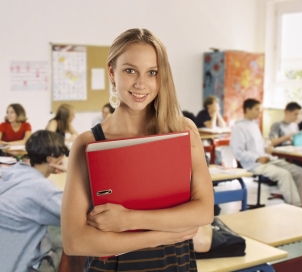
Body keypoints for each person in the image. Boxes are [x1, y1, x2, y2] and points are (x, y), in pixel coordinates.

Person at [61, 28, 213, 271]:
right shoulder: (89, 144)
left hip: (176, 265)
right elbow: (75, 241)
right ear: (112, 72)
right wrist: (162, 235)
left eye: (152, 72)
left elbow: (203, 212)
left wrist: (128, 219)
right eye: (130, 70)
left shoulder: (183, 131)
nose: (141, 84)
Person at [0, 130, 68, 272]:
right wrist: (73, 171)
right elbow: (77, 214)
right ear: (51, 158)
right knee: (65, 245)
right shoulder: (42, 190)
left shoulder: (14, 171)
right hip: (12, 266)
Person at [230, 98, 302, 209]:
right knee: (284, 174)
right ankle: (296, 206)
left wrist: (267, 147)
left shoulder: (254, 125)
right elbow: (238, 152)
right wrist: (257, 158)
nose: (259, 113)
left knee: (301, 172)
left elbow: (260, 145)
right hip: (253, 164)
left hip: (267, 159)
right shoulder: (238, 127)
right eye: (257, 109)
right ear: (247, 109)